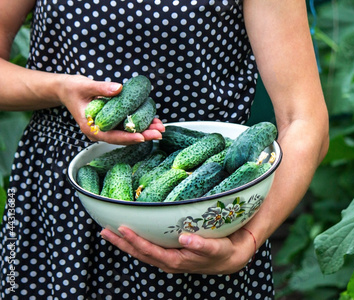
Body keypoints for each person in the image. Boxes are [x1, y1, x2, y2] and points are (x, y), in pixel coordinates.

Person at [0, 0, 329, 299]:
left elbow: (304, 119)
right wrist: (57, 87)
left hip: (204, 212)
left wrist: (248, 241)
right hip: (62, 200)